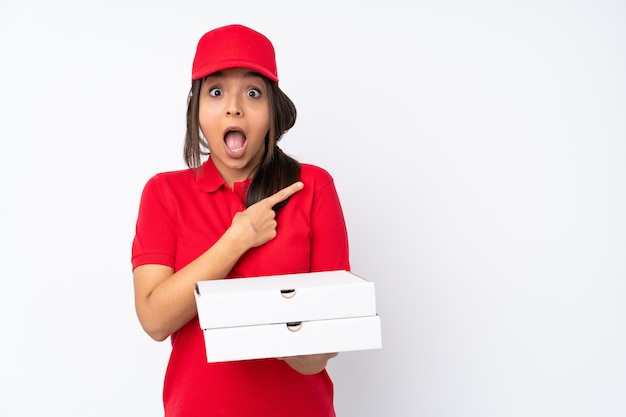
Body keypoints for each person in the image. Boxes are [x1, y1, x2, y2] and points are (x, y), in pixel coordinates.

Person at [131, 24, 350, 416]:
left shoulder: (313, 187)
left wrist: (262, 330)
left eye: (253, 93)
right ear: (196, 109)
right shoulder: (163, 193)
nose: (234, 107)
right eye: (216, 92)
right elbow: (154, 320)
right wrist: (237, 240)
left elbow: (324, 346)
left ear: (273, 109)